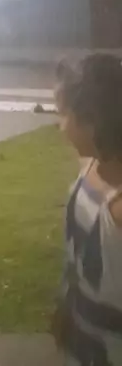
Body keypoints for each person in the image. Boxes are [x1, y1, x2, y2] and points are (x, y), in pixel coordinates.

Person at [52, 54, 122, 366]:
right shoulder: (90, 166)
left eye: (63, 114)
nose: (60, 127)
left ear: (92, 119)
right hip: (82, 338)